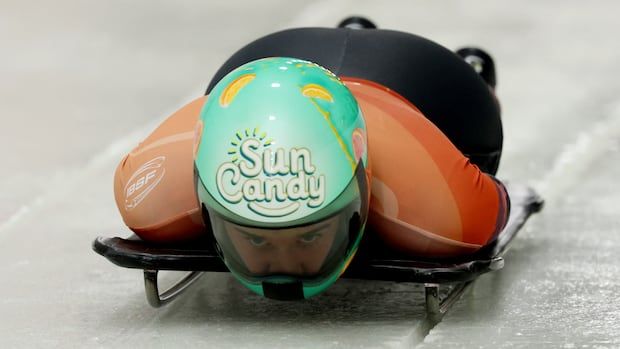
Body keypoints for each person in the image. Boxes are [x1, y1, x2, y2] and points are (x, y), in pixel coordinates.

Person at [113, 22, 509, 300]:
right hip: (257, 70)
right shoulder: (149, 191)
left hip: (426, 82)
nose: (285, 265)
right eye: (254, 238)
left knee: (476, 138)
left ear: (362, 178)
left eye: (308, 236)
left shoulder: (447, 215)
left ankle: (478, 81)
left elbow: (492, 200)